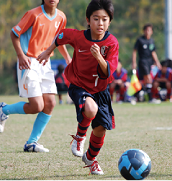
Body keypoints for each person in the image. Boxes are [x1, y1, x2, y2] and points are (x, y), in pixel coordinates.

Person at [37, 0, 118, 175]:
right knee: (90, 108)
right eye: (96, 19)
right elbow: (61, 37)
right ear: (88, 20)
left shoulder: (112, 43)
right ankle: (80, 136)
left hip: (101, 90)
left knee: (100, 129)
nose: (100, 23)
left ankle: (90, 159)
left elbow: (108, 72)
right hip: (79, 86)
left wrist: (99, 58)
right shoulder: (78, 37)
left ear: (109, 21)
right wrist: (48, 50)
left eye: (104, 19)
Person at [0, 0, 71, 152]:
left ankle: (31, 143)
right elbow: (14, 34)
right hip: (29, 62)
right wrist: (20, 55)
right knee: (37, 106)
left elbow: (60, 40)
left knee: (51, 103)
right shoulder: (33, 14)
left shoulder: (61, 17)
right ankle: (3, 110)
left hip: (45, 62)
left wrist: (67, 58)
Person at [132, 23, 162, 103]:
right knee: (148, 78)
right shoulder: (140, 40)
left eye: (149, 30)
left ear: (152, 31)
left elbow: (153, 52)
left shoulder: (152, 41)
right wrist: (133, 62)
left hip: (150, 62)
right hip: (143, 61)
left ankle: (140, 95)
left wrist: (157, 63)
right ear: (144, 31)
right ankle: (150, 98)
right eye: (146, 30)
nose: (148, 32)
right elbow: (134, 51)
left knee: (147, 81)